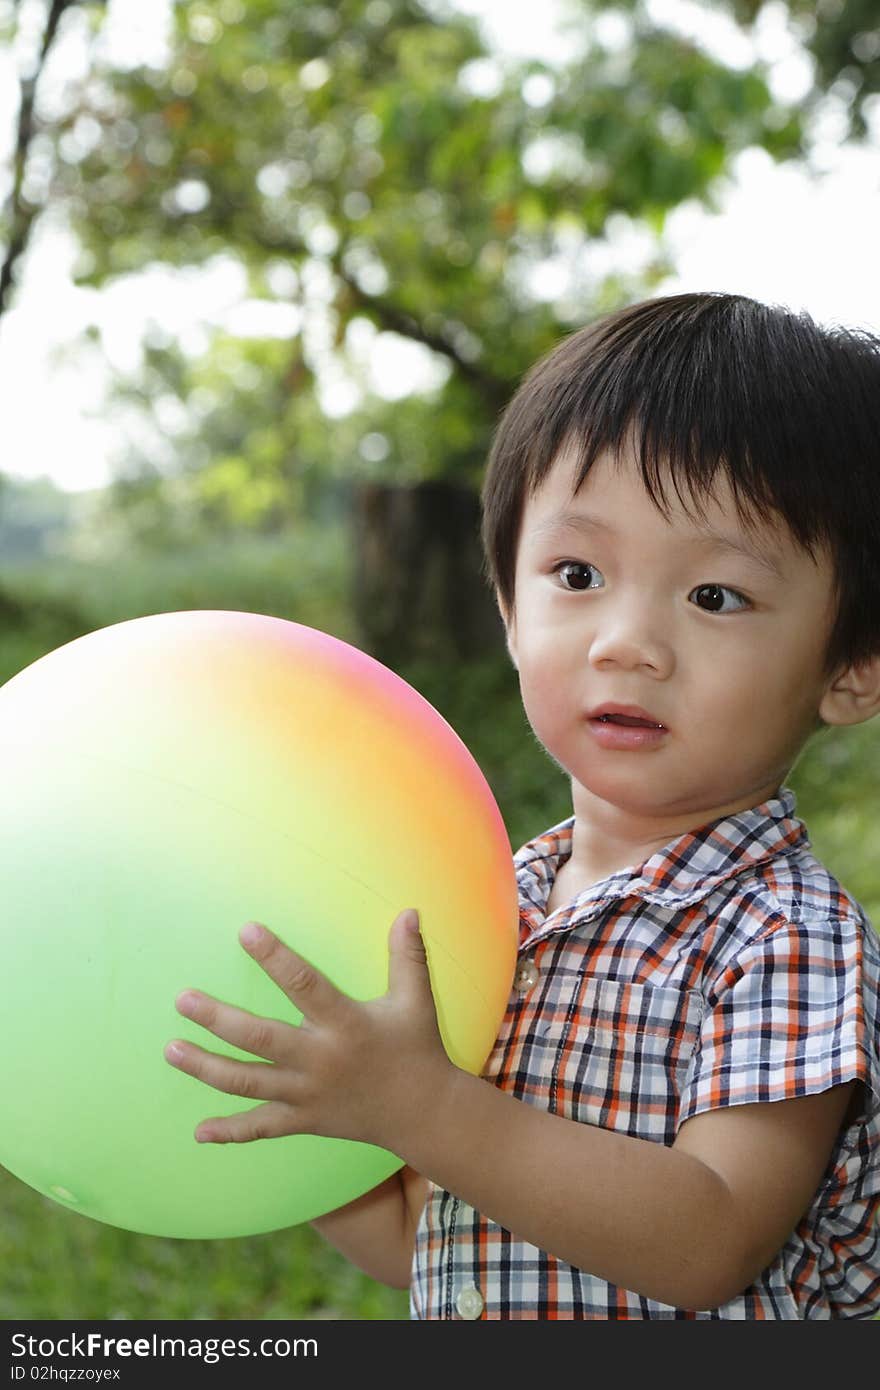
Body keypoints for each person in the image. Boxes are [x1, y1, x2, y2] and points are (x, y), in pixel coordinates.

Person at [165, 292, 880, 1318]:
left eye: (714, 595)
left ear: (850, 667)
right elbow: (436, 1239)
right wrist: (328, 1108)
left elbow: (706, 1238)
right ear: (509, 607)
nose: (626, 641)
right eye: (577, 572)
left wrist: (421, 1101)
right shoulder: (484, 907)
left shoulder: (787, 936)